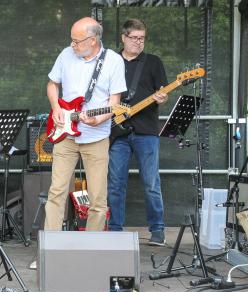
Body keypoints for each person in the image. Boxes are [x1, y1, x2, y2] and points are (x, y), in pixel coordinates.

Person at [44, 17, 127, 232]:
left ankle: (92, 251)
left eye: (77, 40)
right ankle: (50, 249)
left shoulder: (114, 61)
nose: (72, 44)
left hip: (96, 137)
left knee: (98, 200)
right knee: (56, 193)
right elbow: (52, 84)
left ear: (92, 40)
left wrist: (97, 119)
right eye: (71, 40)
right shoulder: (66, 54)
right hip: (66, 137)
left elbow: (115, 104)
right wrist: (56, 107)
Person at [107, 18, 168, 246]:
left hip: (146, 131)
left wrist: (163, 96)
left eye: (142, 38)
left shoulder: (153, 62)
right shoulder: (110, 61)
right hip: (116, 131)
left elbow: (163, 92)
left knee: (152, 182)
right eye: (134, 38)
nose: (138, 42)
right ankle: (115, 229)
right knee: (116, 182)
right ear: (123, 38)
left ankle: (158, 230)